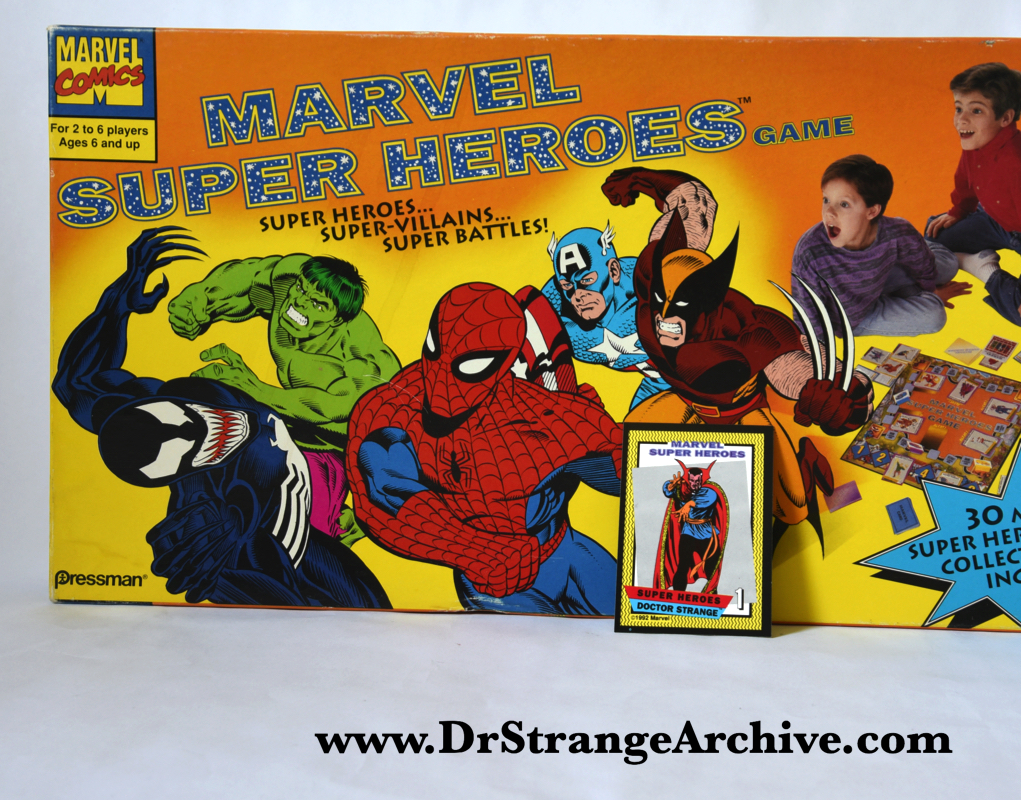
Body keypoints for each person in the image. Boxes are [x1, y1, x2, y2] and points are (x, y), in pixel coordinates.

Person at [52, 228, 390, 608]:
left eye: (318, 304)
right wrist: (123, 302)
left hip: (334, 443)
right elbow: (76, 381)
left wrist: (121, 300)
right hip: (299, 482)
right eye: (185, 450)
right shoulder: (216, 507)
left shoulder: (360, 354)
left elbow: (359, 409)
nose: (301, 303)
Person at [603, 168, 873, 537]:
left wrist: (839, 397)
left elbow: (808, 366)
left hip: (743, 417)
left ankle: (806, 460)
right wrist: (641, 177)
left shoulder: (748, 329)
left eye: (680, 305)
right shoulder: (652, 284)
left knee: (793, 510)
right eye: (660, 300)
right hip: (686, 405)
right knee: (626, 449)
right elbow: (692, 201)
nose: (664, 317)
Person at [347, 283, 624, 615]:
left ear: (505, 360)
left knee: (636, 616)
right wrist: (476, 551)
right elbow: (385, 497)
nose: (442, 381)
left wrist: (616, 446)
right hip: (495, 586)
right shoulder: (391, 407)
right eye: (435, 350)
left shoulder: (536, 407)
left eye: (470, 365)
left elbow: (616, 464)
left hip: (566, 548)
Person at [167, 253, 401, 538]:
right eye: (301, 289)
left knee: (305, 538)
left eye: (318, 304)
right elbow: (248, 276)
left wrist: (372, 515)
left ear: (337, 319)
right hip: (278, 429)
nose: (300, 302)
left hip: (329, 452)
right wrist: (198, 299)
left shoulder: (365, 358)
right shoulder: (287, 279)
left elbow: (336, 406)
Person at [925, 62, 1021, 334]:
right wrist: (958, 212)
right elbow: (965, 180)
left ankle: (981, 267)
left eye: (976, 111)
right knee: (932, 236)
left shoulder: (1020, 168)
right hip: (995, 219)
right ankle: (967, 256)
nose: (962, 120)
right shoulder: (977, 140)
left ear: (1005, 118)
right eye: (959, 108)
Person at [793, 155, 970, 340]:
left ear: (872, 211)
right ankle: (909, 285)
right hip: (854, 315)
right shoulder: (809, 252)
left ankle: (933, 248)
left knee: (949, 265)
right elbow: (807, 317)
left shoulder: (896, 231)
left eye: (844, 204)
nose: (829, 212)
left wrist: (932, 290)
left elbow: (924, 265)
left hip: (882, 275)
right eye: (826, 200)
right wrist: (819, 352)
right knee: (934, 316)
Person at [540, 222, 671, 409]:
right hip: (657, 383)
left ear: (614, 271)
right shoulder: (553, 306)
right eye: (567, 286)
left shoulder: (651, 285)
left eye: (587, 280)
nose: (577, 295)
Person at [655, 461, 729, 593]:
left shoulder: (708, 491)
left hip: (707, 534)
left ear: (702, 480)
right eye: (692, 481)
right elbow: (668, 491)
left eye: (697, 481)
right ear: (688, 480)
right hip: (688, 532)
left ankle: (712, 595)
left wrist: (689, 504)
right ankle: (678, 595)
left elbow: (706, 499)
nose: (694, 483)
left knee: (711, 568)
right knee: (682, 566)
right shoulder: (683, 491)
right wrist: (670, 486)